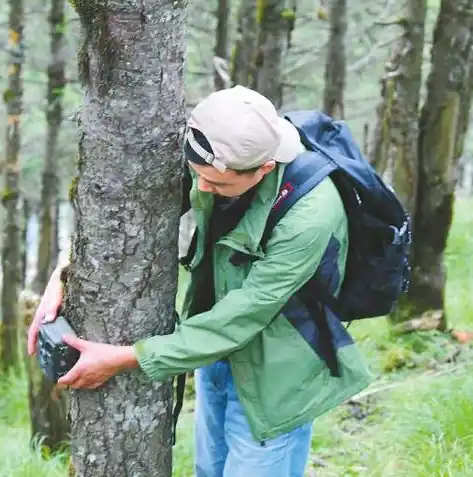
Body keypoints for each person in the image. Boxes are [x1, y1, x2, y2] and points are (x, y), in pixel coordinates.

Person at [28, 85, 372, 477]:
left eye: (218, 185)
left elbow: (244, 315)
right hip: (213, 353)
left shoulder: (310, 216)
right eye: (199, 177)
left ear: (264, 168)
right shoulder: (214, 151)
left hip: (277, 375)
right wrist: (64, 273)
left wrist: (124, 358)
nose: (203, 189)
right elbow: (119, 220)